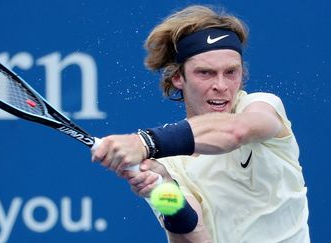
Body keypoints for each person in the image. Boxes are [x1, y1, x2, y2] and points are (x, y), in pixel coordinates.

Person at [91, 5, 310, 243]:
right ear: (177, 78)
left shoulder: (261, 106)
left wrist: (144, 142)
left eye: (231, 72)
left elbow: (234, 131)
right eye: (205, 73)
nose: (222, 85)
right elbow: (194, 237)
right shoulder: (165, 163)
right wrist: (164, 190)